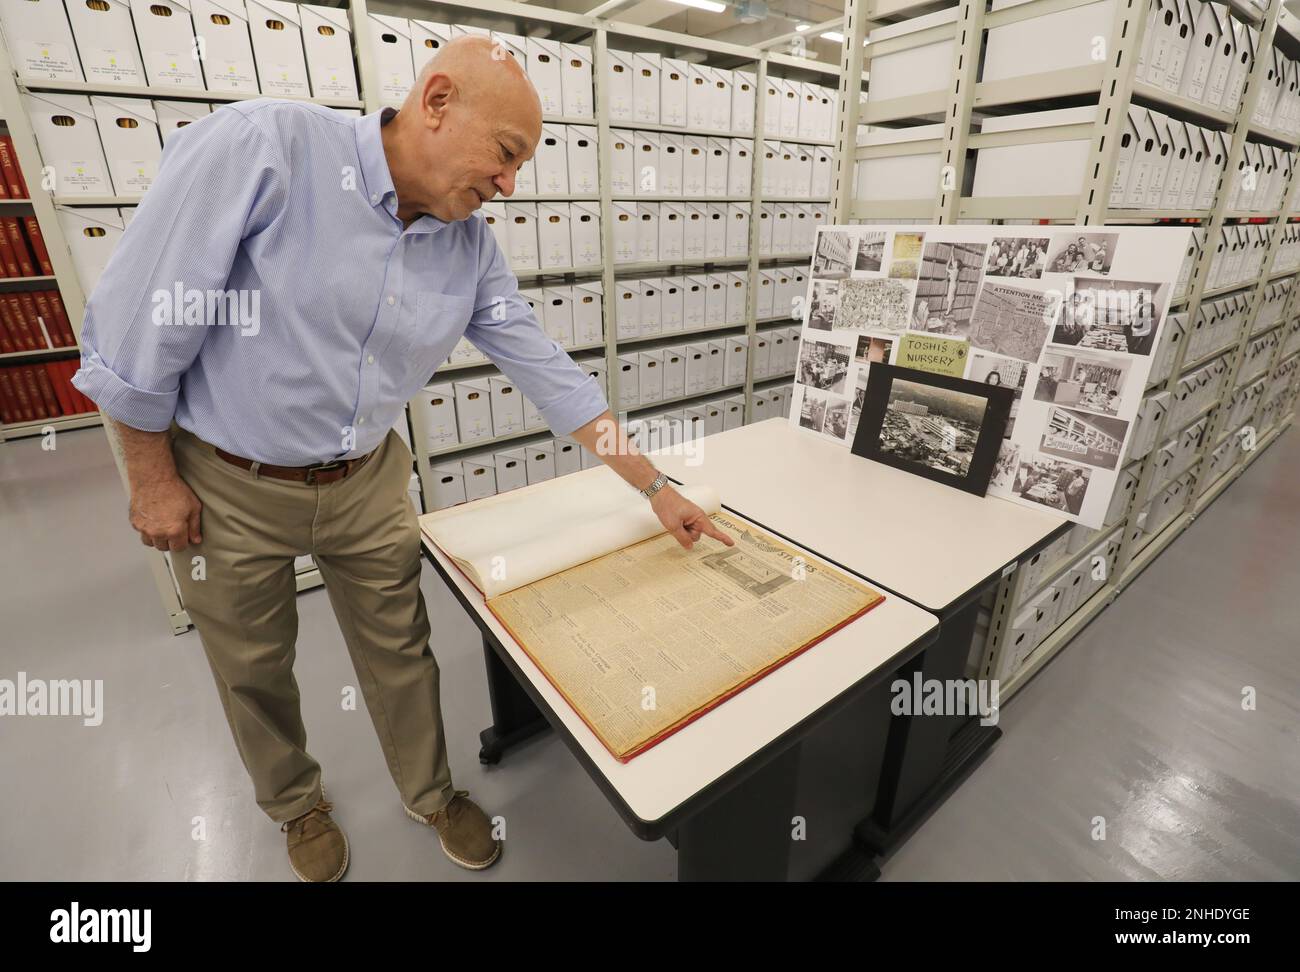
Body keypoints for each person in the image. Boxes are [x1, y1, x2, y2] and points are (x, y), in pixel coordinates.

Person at [72, 37, 733, 883]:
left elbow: (548, 373)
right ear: (437, 101)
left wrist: (655, 486)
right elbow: (138, 327)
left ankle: (430, 792)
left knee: (401, 649)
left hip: (368, 479)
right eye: (505, 155)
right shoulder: (265, 149)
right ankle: (296, 803)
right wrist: (152, 478)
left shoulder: (469, 250)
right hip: (229, 482)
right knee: (250, 663)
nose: (508, 185)